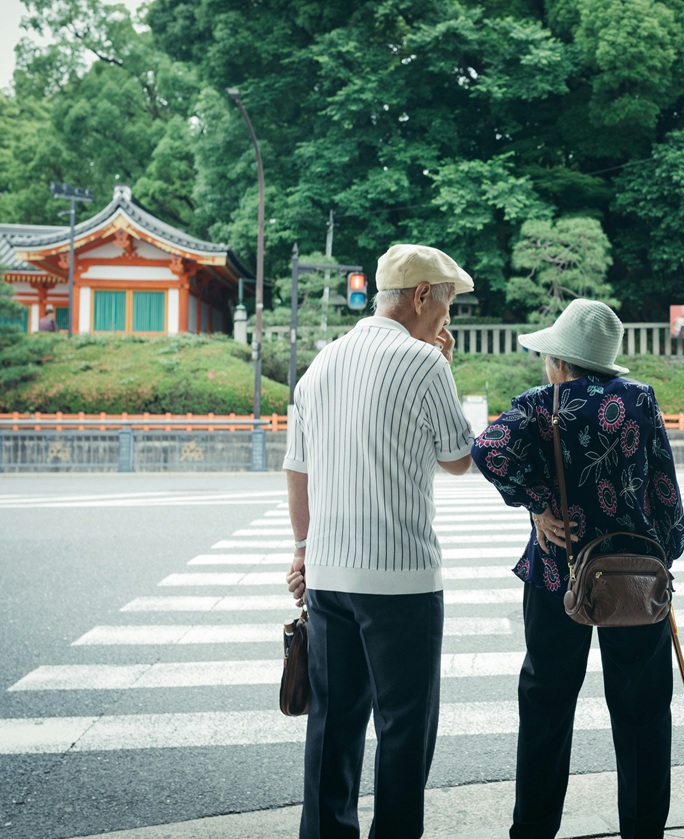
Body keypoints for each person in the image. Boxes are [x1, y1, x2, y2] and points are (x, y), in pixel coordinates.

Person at [470, 299, 684, 839]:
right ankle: (643, 831)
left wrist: (539, 505)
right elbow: (664, 487)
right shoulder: (638, 400)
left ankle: (534, 831)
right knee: (642, 712)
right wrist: (668, 550)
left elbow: (487, 451)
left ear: (562, 363)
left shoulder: (542, 404)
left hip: (558, 574)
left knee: (547, 705)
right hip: (637, 577)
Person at [283, 243, 475, 839]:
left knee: (333, 723)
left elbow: (298, 468)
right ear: (421, 297)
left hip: (330, 576)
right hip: (401, 579)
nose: (448, 320)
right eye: (446, 305)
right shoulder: (424, 364)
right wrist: (443, 366)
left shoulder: (321, 363)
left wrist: (302, 552)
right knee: (404, 727)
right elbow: (459, 458)